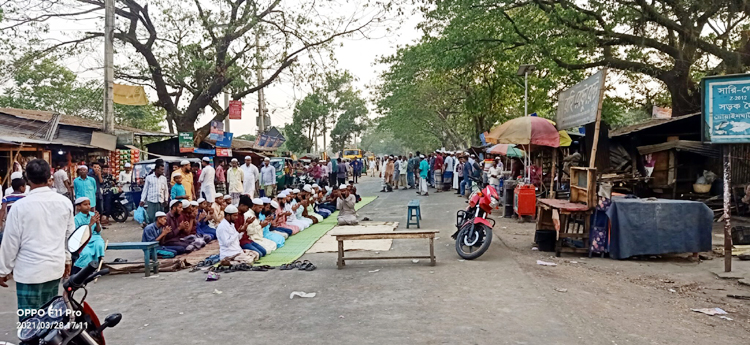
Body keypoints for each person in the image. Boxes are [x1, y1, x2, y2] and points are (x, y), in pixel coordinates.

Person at [0, 159, 75, 320]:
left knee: (30, 322)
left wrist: (3, 270)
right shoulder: (64, 203)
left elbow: (10, 243)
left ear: (27, 179)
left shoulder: (20, 207)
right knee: (49, 320)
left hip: (29, 273)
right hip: (54, 268)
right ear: (49, 176)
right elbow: (70, 236)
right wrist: (67, 260)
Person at [71, 197, 104, 273]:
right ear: (79, 207)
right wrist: (90, 224)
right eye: (85, 204)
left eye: (89, 204)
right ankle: (83, 271)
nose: (88, 206)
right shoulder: (76, 219)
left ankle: (96, 266)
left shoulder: (93, 215)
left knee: (99, 245)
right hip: (83, 241)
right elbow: (79, 235)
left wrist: (98, 223)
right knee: (86, 253)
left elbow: (98, 230)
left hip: (94, 237)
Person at [140, 159, 169, 224]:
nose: (163, 171)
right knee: (151, 218)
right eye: (161, 169)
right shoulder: (149, 178)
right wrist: (142, 200)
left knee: (161, 218)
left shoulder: (163, 178)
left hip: (160, 201)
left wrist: (166, 199)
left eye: (163, 169)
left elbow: (166, 190)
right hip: (151, 201)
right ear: (157, 169)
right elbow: (145, 190)